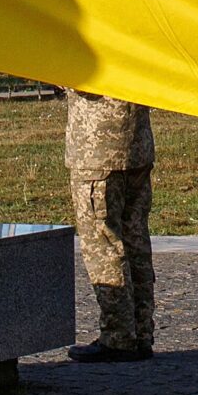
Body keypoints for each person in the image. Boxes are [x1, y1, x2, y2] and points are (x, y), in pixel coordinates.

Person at [63, 89, 157, 363]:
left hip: (98, 149)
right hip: (136, 145)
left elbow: (79, 74)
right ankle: (141, 331)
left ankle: (119, 336)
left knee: (103, 244)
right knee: (136, 240)